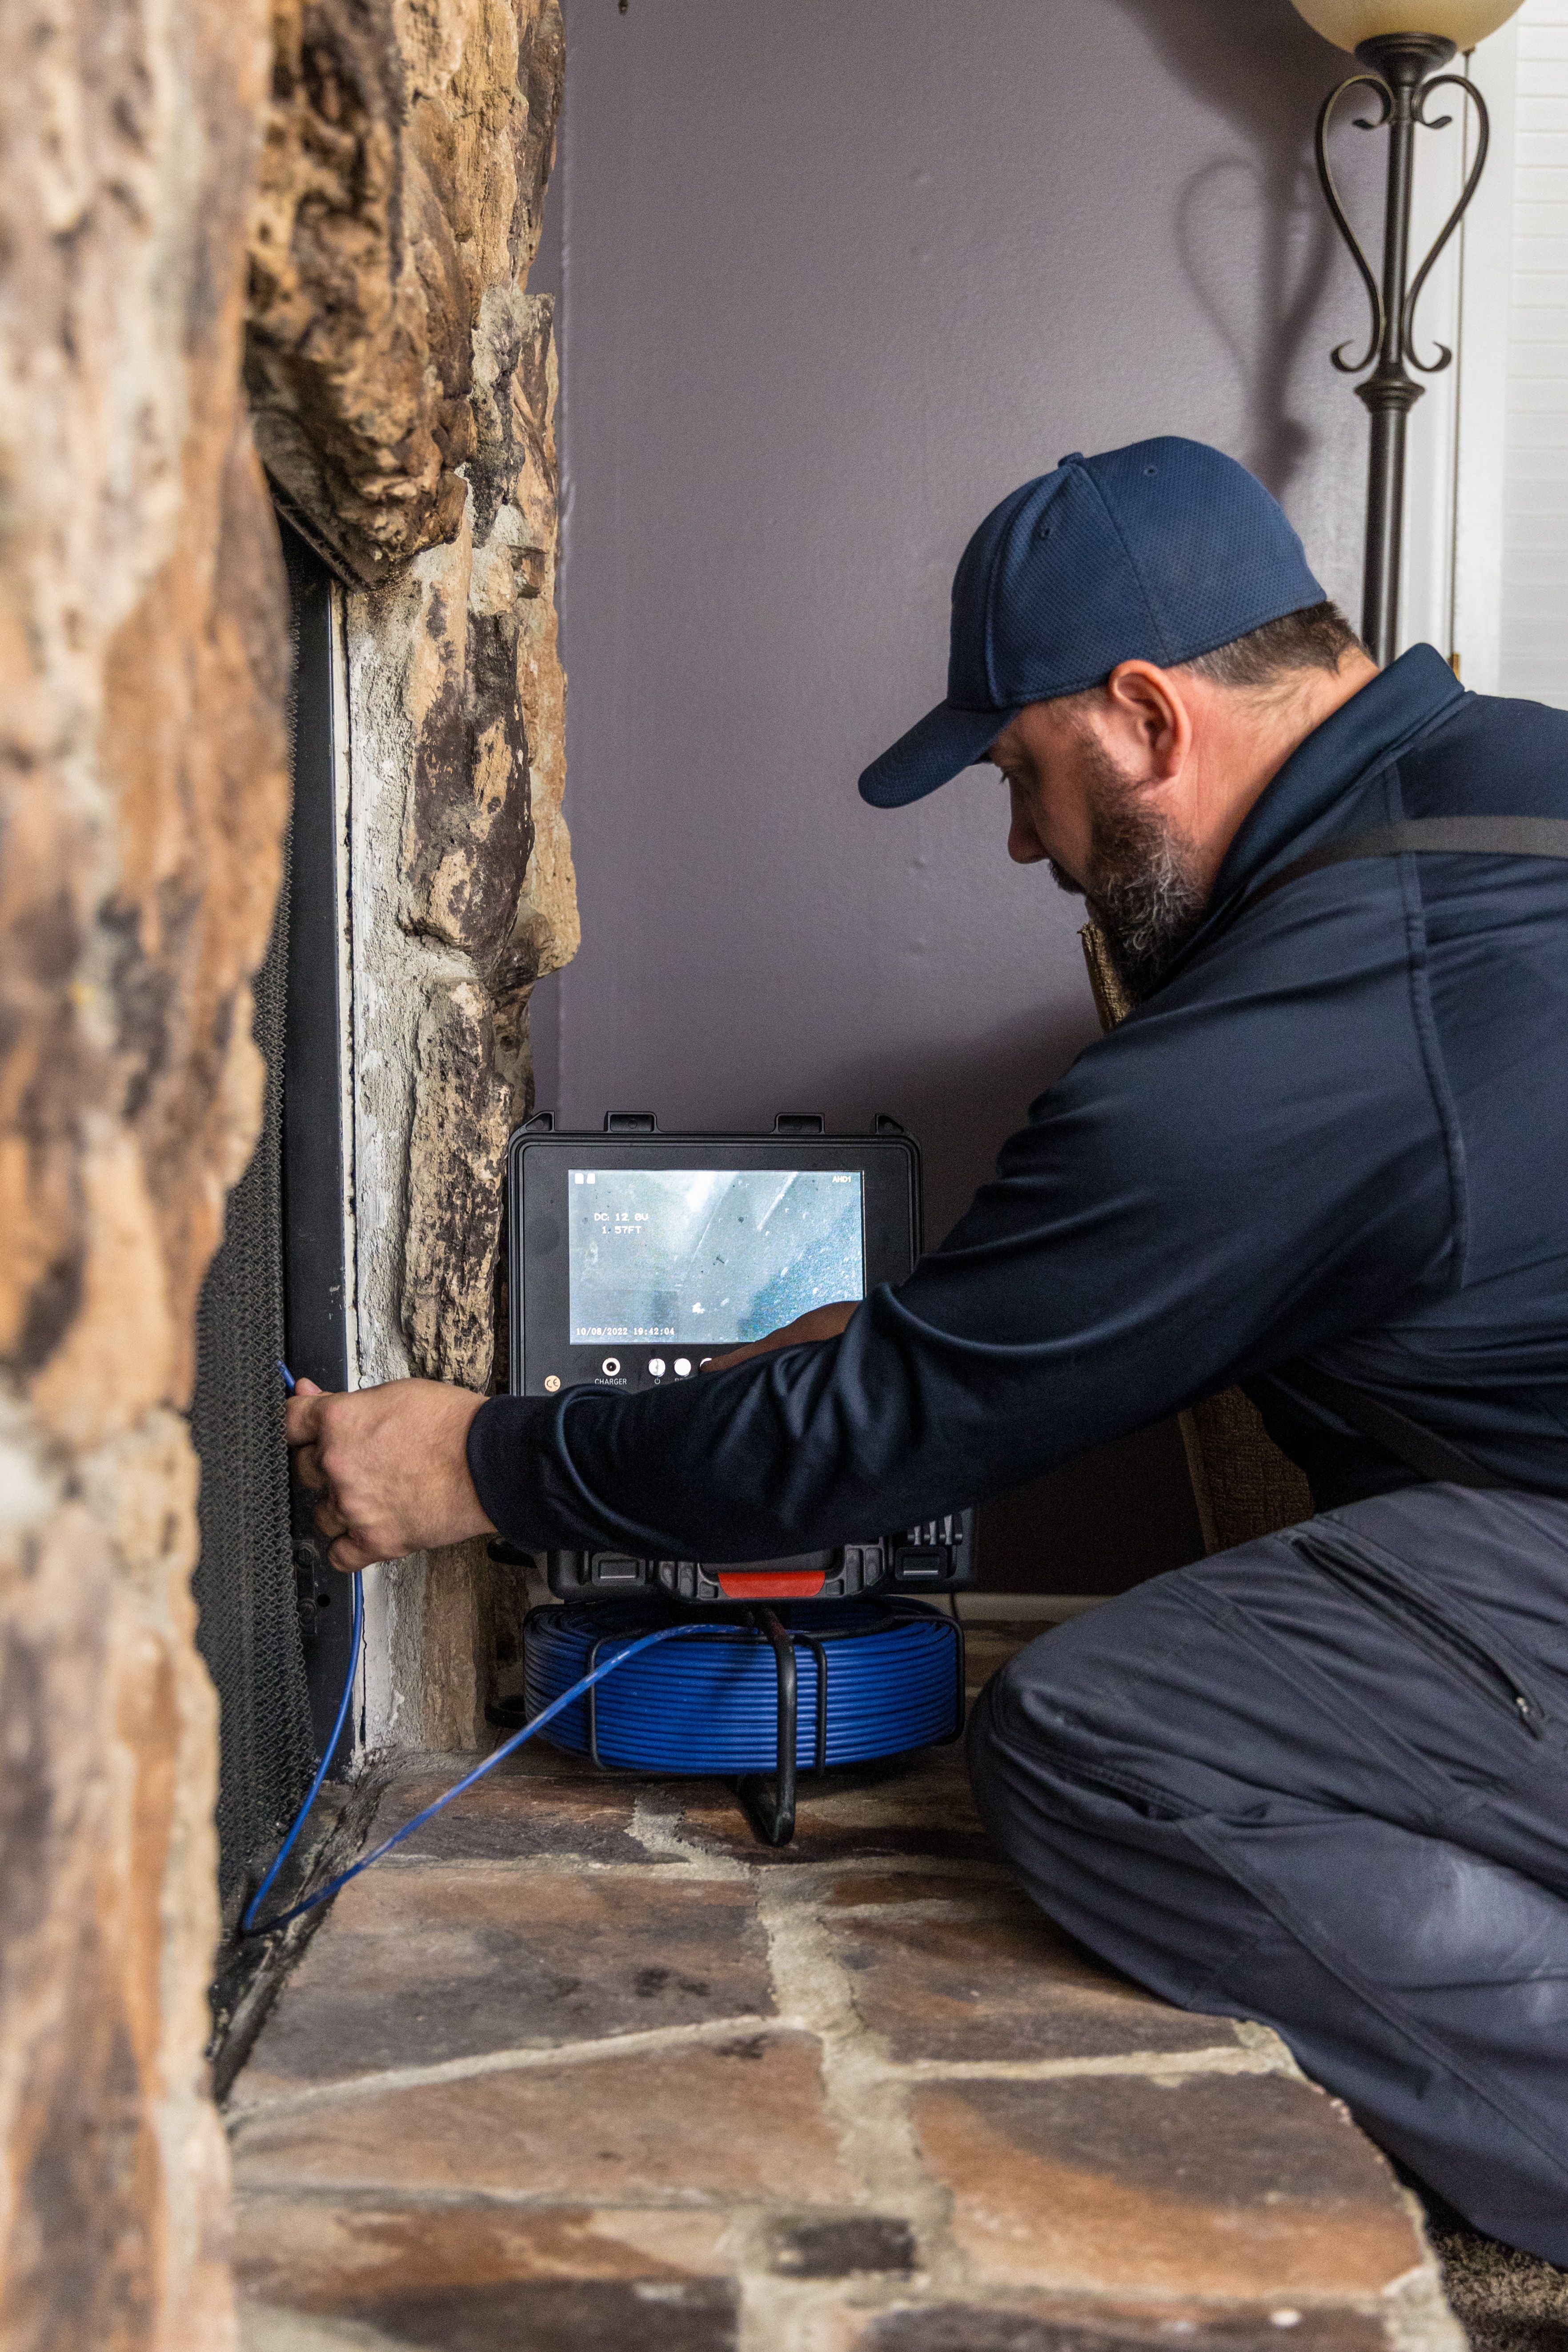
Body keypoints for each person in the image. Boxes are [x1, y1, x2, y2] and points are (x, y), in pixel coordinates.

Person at [288, 437, 1568, 2259]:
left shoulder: (1313, 1015)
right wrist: (931, 1340)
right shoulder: (1515, 779)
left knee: (1103, 1729)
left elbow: (891, 1430)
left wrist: (477, 1463)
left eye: (1023, 775)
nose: (1028, 843)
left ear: (1142, 716)